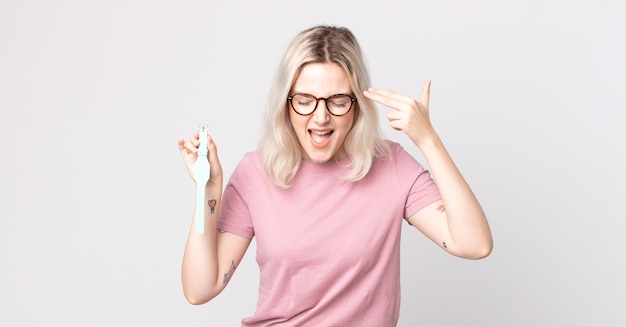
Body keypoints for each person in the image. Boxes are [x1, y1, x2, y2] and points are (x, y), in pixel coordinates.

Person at [177, 25, 493, 326]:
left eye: (338, 101)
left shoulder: (390, 165)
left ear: (357, 105)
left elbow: (474, 244)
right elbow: (199, 289)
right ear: (285, 105)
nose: (321, 117)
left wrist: (428, 140)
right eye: (304, 101)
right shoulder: (255, 172)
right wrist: (207, 190)